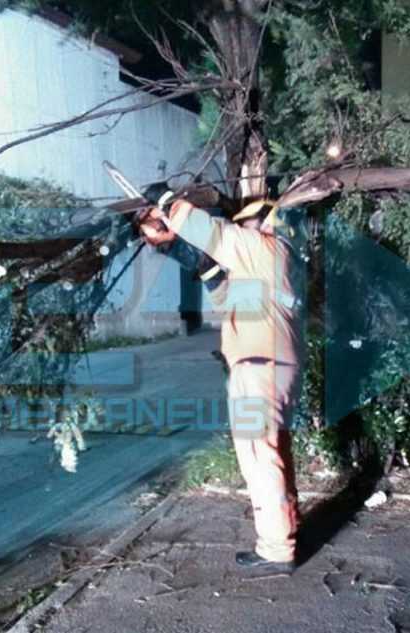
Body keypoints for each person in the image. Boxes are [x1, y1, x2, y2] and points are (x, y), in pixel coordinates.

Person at [139, 197, 305, 574]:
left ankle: (277, 550)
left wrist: (170, 206)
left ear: (263, 223)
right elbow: (228, 299)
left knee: (259, 459)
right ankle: (286, 532)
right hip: (268, 367)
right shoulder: (265, 271)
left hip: (260, 369)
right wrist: (196, 263)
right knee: (273, 454)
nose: (241, 230)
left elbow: (216, 236)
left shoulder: (268, 248)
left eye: (245, 224)